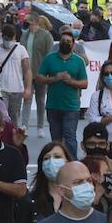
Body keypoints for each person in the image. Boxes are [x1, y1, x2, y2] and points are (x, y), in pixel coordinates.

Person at [36, 29, 89, 158]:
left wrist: (70, 81)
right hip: (53, 105)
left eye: (68, 41)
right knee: (56, 139)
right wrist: (54, 79)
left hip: (71, 107)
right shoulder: (49, 59)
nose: (65, 43)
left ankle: (72, 162)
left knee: (70, 137)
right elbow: (39, 78)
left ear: (73, 44)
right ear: (59, 42)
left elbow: (85, 83)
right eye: (63, 40)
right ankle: (57, 162)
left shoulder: (79, 61)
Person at [21, 13, 53, 128]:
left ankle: (40, 126)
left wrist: (47, 73)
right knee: (27, 99)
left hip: (41, 73)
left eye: (27, 20)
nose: (25, 22)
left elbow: (49, 55)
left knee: (40, 100)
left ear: (34, 21)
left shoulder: (46, 35)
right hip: (27, 73)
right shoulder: (24, 35)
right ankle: (24, 125)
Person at [0, 23, 32, 122]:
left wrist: (28, 88)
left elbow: (27, 69)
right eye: (7, 39)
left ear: (15, 37)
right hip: (1, 88)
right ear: (2, 37)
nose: (9, 41)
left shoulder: (21, 49)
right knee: (2, 116)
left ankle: (13, 136)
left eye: (11, 39)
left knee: (14, 118)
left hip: (17, 89)